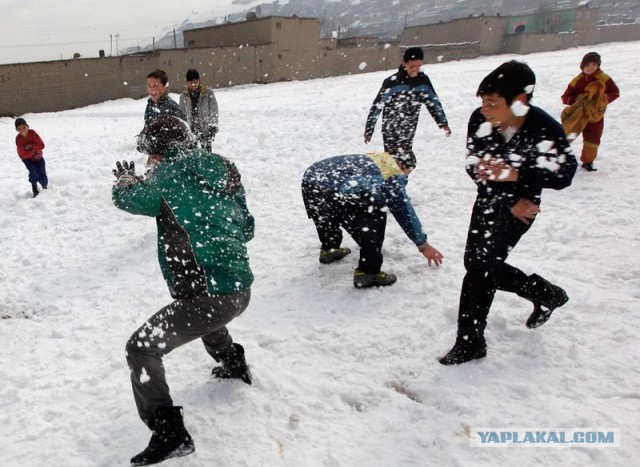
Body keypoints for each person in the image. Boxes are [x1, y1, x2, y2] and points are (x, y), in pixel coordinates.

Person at [112, 115, 254, 465]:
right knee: (200, 310)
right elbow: (247, 227)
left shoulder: (163, 176)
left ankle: (168, 431)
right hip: (238, 288)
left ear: (160, 152)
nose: (148, 161)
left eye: (150, 155)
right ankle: (233, 363)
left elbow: (129, 200)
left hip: (211, 295)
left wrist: (126, 181)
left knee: (141, 348)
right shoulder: (224, 166)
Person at [439, 61, 577, 366]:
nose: (485, 110)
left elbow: (565, 174)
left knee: (481, 268)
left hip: (523, 209)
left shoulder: (543, 128)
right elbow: (474, 165)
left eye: (492, 103)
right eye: (483, 102)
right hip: (490, 200)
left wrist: (517, 177)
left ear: (520, 101)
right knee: (477, 264)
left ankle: (470, 341)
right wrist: (501, 190)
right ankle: (545, 294)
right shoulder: (480, 120)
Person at [302, 151, 443, 289]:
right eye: (407, 173)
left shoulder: (375, 156)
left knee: (324, 214)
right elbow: (403, 210)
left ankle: (330, 249)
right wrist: (423, 245)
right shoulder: (392, 172)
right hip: (335, 187)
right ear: (400, 164)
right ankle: (368, 273)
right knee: (375, 215)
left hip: (312, 179)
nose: (405, 177)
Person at [364, 47, 451, 169]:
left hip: (409, 126)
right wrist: (369, 129)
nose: (415, 70)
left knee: (406, 160)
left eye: (418, 66)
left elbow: (433, 102)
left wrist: (442, 123)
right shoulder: (391, 82)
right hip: (391, 127)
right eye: (411, 66)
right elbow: (377, 106)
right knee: (392, 159)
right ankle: (389, 181)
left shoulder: (423, 82)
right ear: (404, 63)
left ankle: (395, 181)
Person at [560, 51, 620, 172]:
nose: (591, 67)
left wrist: (602, 100)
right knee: (567, 133)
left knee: (592, 138)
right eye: (588, 65)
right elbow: (565, 97)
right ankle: (559, 157)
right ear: (583, 66)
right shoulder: (577, 80)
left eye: (594, 64)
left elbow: (615, 92)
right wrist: (575, 100)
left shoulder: (604, 78)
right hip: (579, 114)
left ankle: (588, 161)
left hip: (595, 115)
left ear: (598, 65)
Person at [136, 69, 187, 153]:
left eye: (156, 85)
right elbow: (148, 127)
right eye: (149, 85)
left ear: (165, 87)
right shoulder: (150, 105)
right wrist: (142, 141)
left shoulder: (172, 108)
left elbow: (184, 136)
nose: (152, 89)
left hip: (172, 158)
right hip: (156, 155)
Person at [179, 68, 219, 152]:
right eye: (190, 82)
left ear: (199, 81)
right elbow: (181, 114)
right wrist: (183, 128)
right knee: (193, 155)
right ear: (187, 83)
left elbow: (214, 111)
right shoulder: (183, 96)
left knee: (207, 154)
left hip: (205, 129)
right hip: (191, 130)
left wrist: (212, 126)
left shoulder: (208, 93)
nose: (193, 84)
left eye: (195, 81)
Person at [15, 117, 48, 198]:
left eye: (24, 127)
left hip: (38, 158)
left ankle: (45, 188)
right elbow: (22, 154)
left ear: (27, 126)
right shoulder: (18, 139)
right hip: (28, 160)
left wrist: (31, 146)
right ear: (17, 130)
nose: (22, 130)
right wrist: (32, 152)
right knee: (33, 173)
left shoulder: (32, 133)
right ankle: (35, 190)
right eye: (19, 129)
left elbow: (41, 145)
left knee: (42, 173)